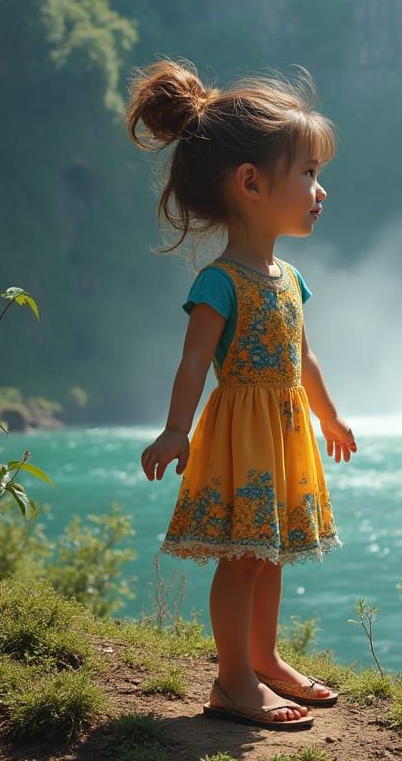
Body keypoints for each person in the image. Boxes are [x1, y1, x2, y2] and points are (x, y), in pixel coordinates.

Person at [128, 59, 357, 731]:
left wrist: (331, 417)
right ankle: (232, 681)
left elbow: (303, 357)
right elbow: (194, 361)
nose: (321, 190)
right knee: (243, 555)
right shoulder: (222, 282)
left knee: (272, 551)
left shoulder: (290, 278)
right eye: (308, 174)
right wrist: (176, 430)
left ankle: (265, 658)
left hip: (284, 430)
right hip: (242, 434)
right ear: (252, 183)